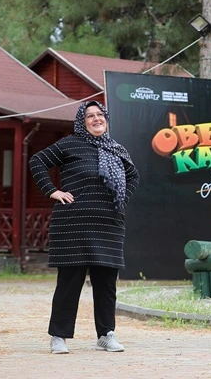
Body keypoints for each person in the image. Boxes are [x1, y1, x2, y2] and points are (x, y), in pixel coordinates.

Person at [29, 100, 139, 354]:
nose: (96, 119)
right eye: (90, 116)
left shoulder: (117, 149)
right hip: (73, 224)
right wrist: (53, 191)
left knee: (106, 283)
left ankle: (106, 335)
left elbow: (133, 175)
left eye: (100, 114)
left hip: (108, 225)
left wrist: (121, 199)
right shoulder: (70, 144)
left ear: (106, 119)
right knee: (69, 283)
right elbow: (37, 161)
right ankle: (59, 336)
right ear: (82, 121)